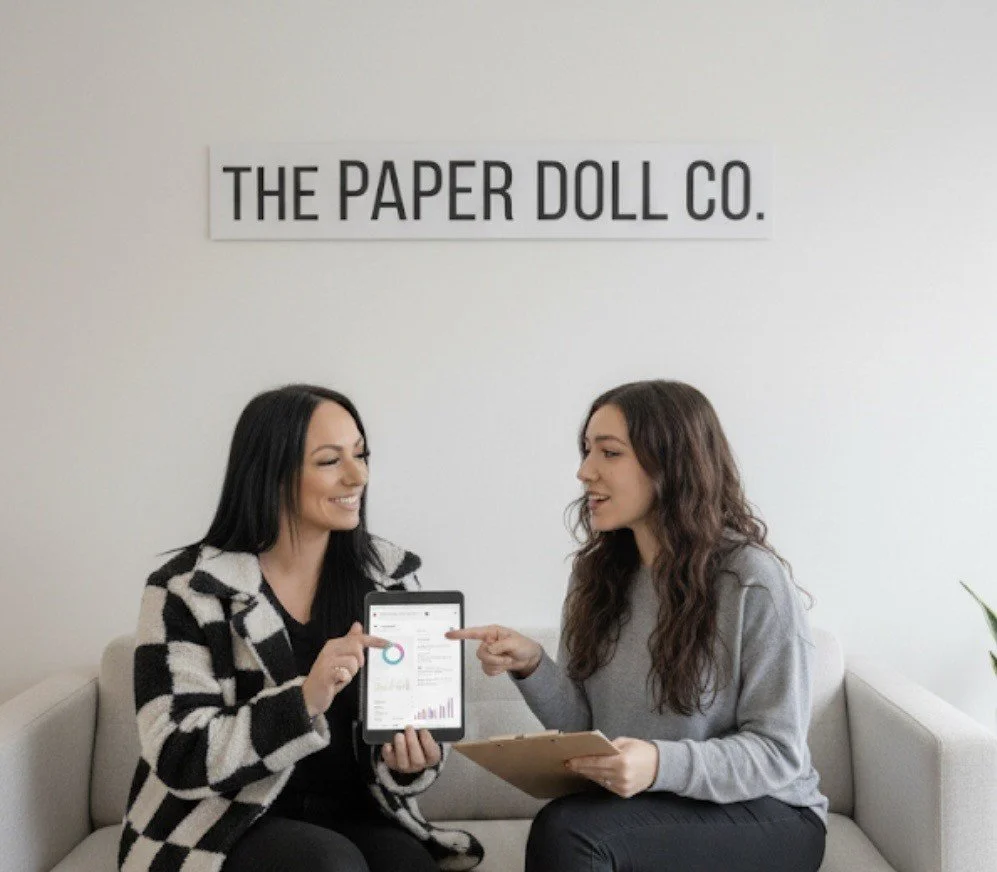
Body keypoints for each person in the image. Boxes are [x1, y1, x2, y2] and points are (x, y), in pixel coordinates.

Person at [449, 380, 827, 872]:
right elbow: (589, 730)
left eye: (609, 453)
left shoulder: (750, 581)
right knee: (565, 821)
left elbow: (778, 754)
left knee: (572, 833)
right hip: (659, 805)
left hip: (771, 814)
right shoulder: (597, 575)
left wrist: (658, 764)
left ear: (670, 465)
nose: (585, 472)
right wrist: (534, 667)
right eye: (587, 451)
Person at [119, 385, 483, 872]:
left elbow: (406, 733)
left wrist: (410, 763)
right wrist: (304, 699)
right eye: (330, 461)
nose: (359, 475)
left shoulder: (387, 578)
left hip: (354, 813)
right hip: (224, 823)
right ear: (271, 473)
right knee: (329, 864)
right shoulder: (187, 591)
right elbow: (178, 754)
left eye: (360, 454)